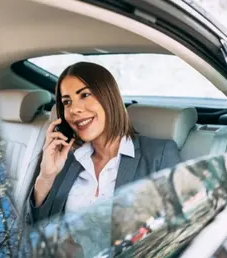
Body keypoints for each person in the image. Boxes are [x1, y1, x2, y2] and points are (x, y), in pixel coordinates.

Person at [26, 62, 180, 225]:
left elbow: (177, 229)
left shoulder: (160, 155)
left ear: (109, 96)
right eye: (67, 102)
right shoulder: (67, 160)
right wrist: (46, 176)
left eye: (84, 95)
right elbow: (38, 227)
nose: (74, 109)